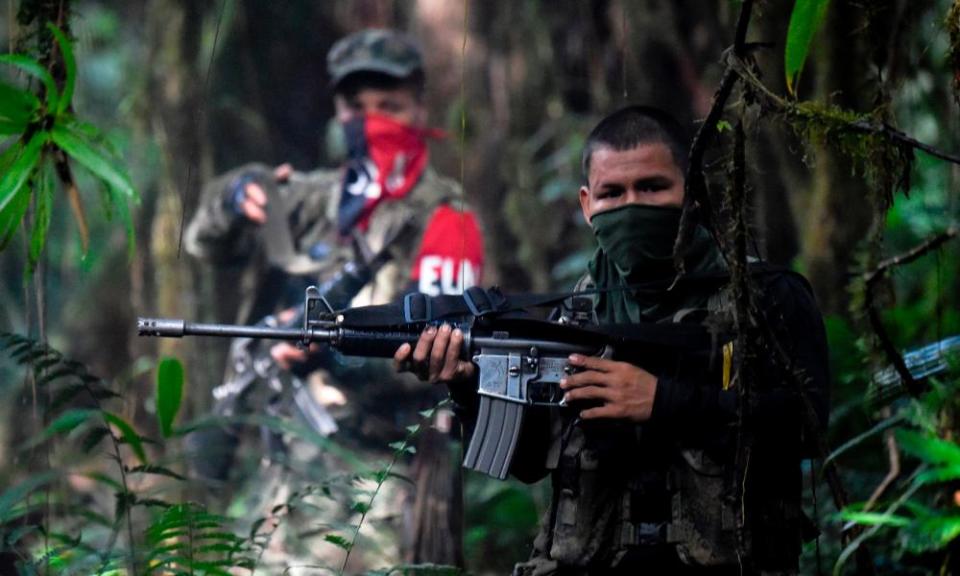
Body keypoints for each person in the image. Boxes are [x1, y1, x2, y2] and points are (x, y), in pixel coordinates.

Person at [395, 106, 829, 575]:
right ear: (587, 205)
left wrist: (664, 401)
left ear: (692, 193)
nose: (630, 206)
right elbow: (529, 463)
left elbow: (805, 427)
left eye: (652, 187)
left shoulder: (766, 296)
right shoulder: (570, 317)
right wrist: (466, 387)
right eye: (612, 193)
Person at [185, 28, 483, 568]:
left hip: (379, 486)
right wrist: (235, 194)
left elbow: (449, 354)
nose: (370, 119)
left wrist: (333, 354)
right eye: (355, 105)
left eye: (388, 105)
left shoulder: (446, 217)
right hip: (277, 474)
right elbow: (205, 241)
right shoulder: (313, 197)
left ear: (419, 107)